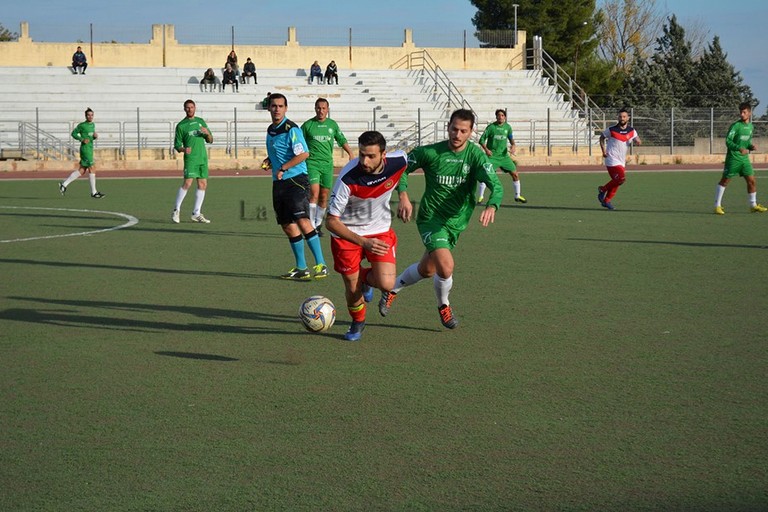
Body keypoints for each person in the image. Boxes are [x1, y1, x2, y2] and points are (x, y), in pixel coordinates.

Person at [380, 108, 503, 329]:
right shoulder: (430, 152)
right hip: (430, 218)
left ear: (471, 132)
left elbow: (496, 185)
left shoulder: (475, 156)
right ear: (448, 127)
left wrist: (492, 205)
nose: (457, 135)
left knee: (427, 270)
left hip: (456, 222)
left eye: (463, 131)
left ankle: (392, 289)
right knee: (446, 267)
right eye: (454, 129)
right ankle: (444, 306)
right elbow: (402, 168)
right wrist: (404, 196)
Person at [326, 131, 408, 341]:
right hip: (347, 235)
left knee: (387, 284)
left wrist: (404, 195)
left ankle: (364, 279)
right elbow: (331, 221)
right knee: (352, 288)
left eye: (370, 156)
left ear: (383, 155)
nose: (364, 160)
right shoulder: (348, 178)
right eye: (362, 154)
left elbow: (404, 170)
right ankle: (358, 321)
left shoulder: (398, 160)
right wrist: (363, 242)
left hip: (380, 230)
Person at [262, 93, 328, 280]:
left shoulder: (292, 129)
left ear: (286, 108)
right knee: (287, 225)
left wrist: (283, 167)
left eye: (280, 106)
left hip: (296, 180)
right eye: (274, 106)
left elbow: (303, 154)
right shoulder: (271, 130)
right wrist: (270, 161)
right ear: (269, 108)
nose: (277, 109)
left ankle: (321, 264)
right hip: (279, 182)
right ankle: (301, 267)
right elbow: (280, 153)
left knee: (302, 221)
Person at [301, 98, 354, 236]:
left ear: (327, 109)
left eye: (324, 108)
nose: (321, 111)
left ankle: (318, 225)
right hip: (312, 163)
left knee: (324, 196)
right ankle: (311, 226)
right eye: (318, 108)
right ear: (315, 108)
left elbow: (341, 139)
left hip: (327, 165)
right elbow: (298, 141)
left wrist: (350, 153)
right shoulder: (308, 125)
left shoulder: (332, 125)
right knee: (314, 193)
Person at [714, 102, 767, 214]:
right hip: (733, 158)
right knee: (725, 181)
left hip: (744, 159)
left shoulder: (751, 127)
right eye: (741, 112)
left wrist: (750, 146)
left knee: (752, 181)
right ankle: (717, 206)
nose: (742, 114)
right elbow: (728, 141)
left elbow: (746, 142)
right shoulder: (735, 126)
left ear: (749, 113)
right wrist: (739, 148)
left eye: (744, 112)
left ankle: (753, 205)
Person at [171, 99, 213, 224]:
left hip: (202, 158)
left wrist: (206, 134)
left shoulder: (200, 122)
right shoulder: (181, 126)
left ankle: (196, 213)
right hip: (191, 159)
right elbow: (177, 146)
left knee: (203, 185)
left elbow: (210, 140)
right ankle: (176, 210)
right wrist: (184, 149)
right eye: (187, 107)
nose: (190, 109)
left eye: (192, 107)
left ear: (195, 108)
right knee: (187, 183)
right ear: (184, 109)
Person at [476, 109, 526, 204]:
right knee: (486, 175)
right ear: (496, 117)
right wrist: (486, 150)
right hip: (492, 157)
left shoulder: (508, 127)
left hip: (504, 157)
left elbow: (511, 139)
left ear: (505, 117)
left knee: (515, 174)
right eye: (499, 115)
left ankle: (517, 195)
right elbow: (481, 140)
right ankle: (480, 197)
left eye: (502, 115)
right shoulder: (491, 127)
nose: (500, 117)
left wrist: (513, 145)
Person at [597, 107, 642, 210]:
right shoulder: (612, 129)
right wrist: (603, 151)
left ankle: (606, 201)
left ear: (628, 118)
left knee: (617, 181)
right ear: (618, 117)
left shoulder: (631, 130)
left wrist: (638, 141)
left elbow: (636, 138)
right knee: (621, 179)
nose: (622, 118)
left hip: (621, 161)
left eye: (624, 116)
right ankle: (603, 190)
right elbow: (602, 137)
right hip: (611, 159)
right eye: (620, 116)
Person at [59, 108, 104, 198]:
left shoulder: (93, 125)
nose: (90, 116)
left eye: (92, 115)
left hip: (90, 149)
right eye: (88, 115)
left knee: (82, 171)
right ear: (85, 116)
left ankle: (64, 184)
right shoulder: (82, 125)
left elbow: (90, 137)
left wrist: (95, 137)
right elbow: (74, 133)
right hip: (85, 149)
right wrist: (82, 139)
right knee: (92, 168)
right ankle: (94, 192)